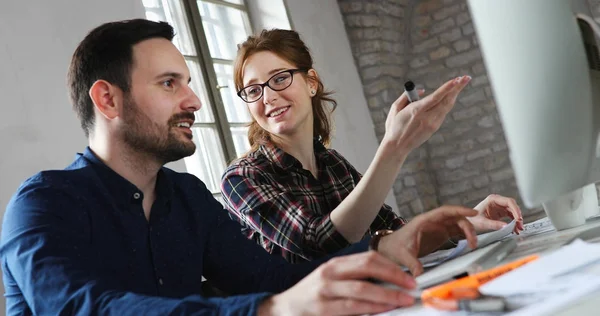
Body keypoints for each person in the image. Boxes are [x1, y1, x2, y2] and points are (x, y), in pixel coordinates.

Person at [1, 19, 483, 316]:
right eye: (170, 84)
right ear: (108, 98)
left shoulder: (187, 199)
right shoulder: (42, 204)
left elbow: (273, 280)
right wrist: (272, 309)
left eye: (188, 82)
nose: (193, 100)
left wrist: (384, 248)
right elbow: (81, 309)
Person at [221, 29, 524, 264]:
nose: (267, 97)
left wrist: (464, 222)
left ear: (311, 82)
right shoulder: (241, 178)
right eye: (253, 90)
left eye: (279, 79)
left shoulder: (333, 165)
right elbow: (319, 244)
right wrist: (394, 146)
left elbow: (398, 233)